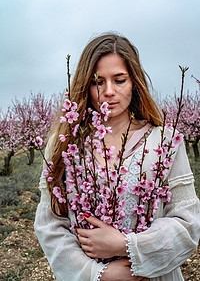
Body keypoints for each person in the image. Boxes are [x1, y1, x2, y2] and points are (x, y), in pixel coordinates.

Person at [34, 33, 200, 281]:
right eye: (97, 82)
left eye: (119, 80)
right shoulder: (66, 145)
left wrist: (128, 245)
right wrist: (98, 274)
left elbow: (187, 221)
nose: (108, 92)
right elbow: (50, 225)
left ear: (134, 83)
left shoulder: (165, 142)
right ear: (85, 85)